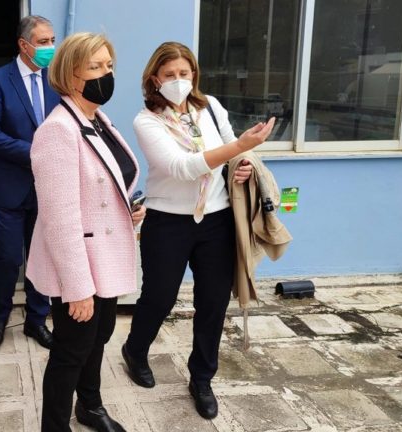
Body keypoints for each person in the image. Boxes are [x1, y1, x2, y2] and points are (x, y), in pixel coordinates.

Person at [121, 42, 275, 420]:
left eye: (184, 73)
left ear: (194, 74)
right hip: (167, 221)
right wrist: (238, 147)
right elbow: (181, 167)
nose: (178, 80)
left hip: (217, 219)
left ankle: (202, 378)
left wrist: (242, 161)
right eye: (169, 74)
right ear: (154, 78)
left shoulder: (212, 108)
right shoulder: (147, 121)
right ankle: (135, 350)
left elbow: (232, 151)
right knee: (159, 297)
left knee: (213, 303)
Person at [28, 32, 146, 432]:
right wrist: (77, 289)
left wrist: (127, 209)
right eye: (95, 67)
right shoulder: (58, 130)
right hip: (79, 267)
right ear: (70, 74)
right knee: (71, 351)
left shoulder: (97, 121)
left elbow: (105, 185)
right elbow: (59, 218)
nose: (105, 74)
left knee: (99, 338)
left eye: (108, 65)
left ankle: (90, 407)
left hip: (104, 257)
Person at [0, 16, 60, 349]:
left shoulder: (56, 80)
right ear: (24, 45)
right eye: (43, 42)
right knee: (9, 257)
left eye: (52, 40)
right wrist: (34, 152)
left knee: (41, 257)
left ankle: (37, 321)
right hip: (7, 186)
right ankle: (0, 318)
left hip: (46, 187)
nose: (50, 47)